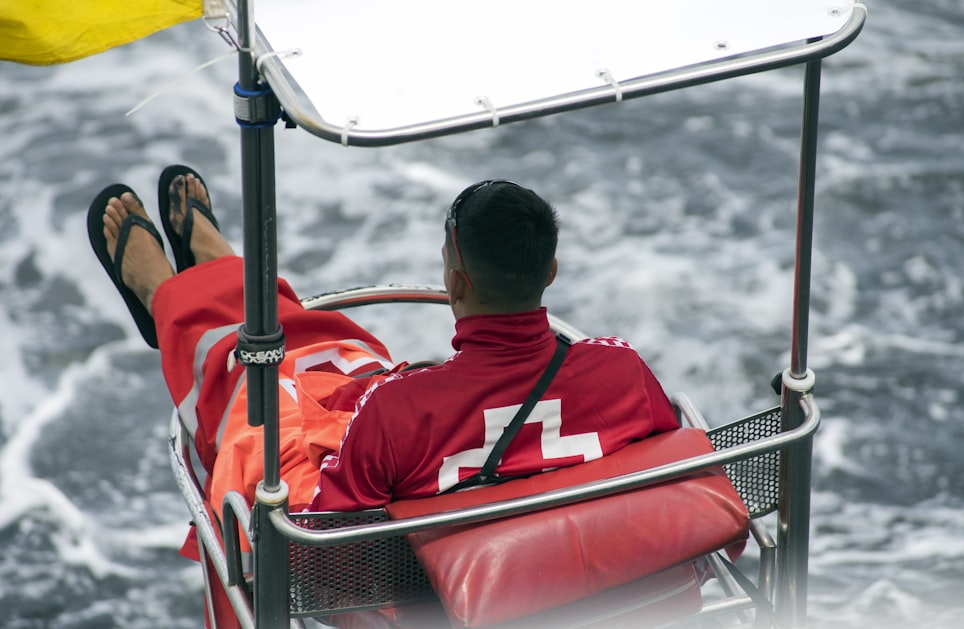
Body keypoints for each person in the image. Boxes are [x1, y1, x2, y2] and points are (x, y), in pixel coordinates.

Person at [88, 165, 680, 525]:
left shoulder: (400, 408)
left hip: (442, 592)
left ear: (453, 281)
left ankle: (180, 297)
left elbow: (322, 541)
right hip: (603, 576)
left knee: (269, 392)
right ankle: (208, 284)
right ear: (550, 270)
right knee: (343, 363)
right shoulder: (620, 368)